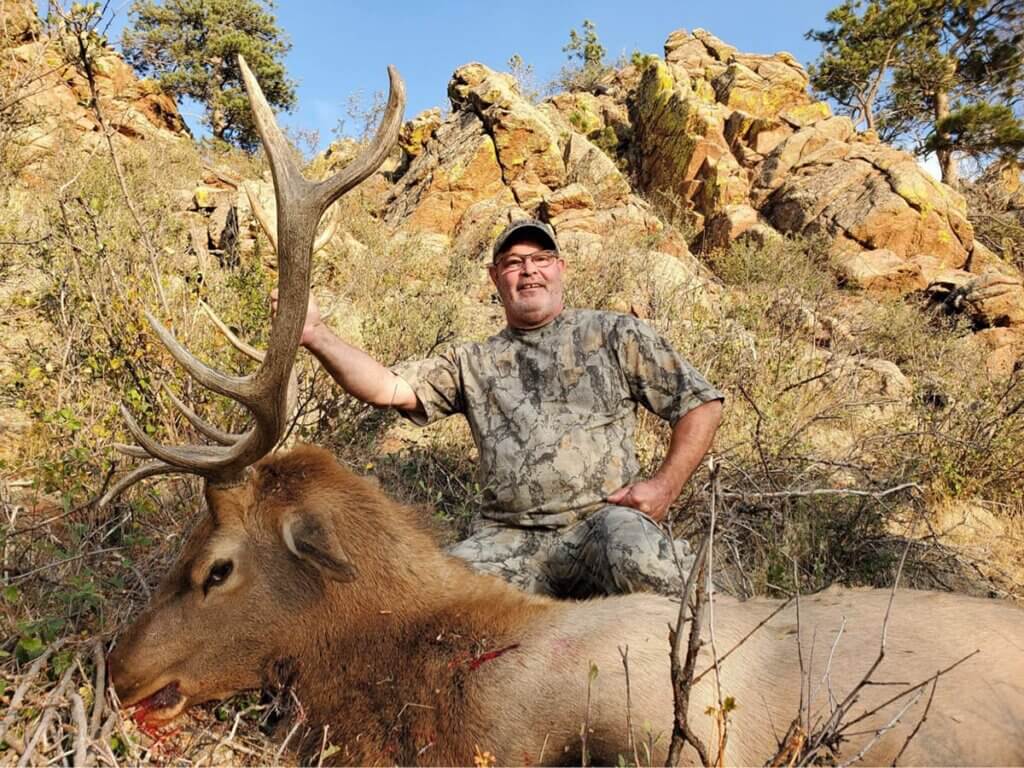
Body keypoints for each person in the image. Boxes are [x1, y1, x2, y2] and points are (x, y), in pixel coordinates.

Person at [274, 219, 724, 597]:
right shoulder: (474, 361)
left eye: (540, 260)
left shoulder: (614, 335)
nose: (528, 271)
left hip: (602, 522)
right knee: (432, 600)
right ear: (495, 277)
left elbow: (701, 405)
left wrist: (665, 486)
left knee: (647, 566)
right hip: (509, 538)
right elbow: (388, 388)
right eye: (513, 263)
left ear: (560, 269)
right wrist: (316, 334)